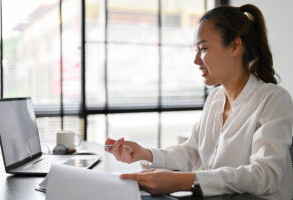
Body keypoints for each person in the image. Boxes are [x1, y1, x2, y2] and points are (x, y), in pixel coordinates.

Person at [105, 4, 293, 200]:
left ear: (235, 46)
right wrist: (145, 153)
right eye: (196, 49)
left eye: (203, 48)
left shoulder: (274, 100)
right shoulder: (215, 98)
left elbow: (265, 175)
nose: (196, 60)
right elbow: (193, 152)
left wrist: (184, 181)